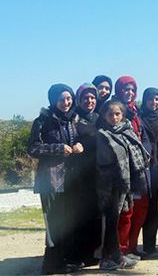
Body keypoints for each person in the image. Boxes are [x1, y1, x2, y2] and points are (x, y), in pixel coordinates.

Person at [27, 84, 84, 274]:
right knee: (53, 223)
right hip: (50, 180)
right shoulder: (42, 121)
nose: (66, 103)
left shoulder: (73, 120)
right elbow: (33, 148)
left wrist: (79, 145)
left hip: (70, 179)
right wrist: (57, 148)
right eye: (61, 99)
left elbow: (80, 139)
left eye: (69, 99)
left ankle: (64, 260)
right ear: (53, 100)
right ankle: (50, 264)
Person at [95, 99, 147, 271]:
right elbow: (106, 160)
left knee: (120, 220)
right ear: (104, 116)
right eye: (110, 114)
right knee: (110, 223)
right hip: (110, 185)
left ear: (123, 115)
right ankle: (106, 259)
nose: (114, 117)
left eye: (118, 114)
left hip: (126, 184)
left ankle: (117, 256)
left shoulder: (127, 131)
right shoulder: (102, 135)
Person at [113, 76, 150, 258]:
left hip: (139, 168)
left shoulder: (136, 111)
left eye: (132, 90)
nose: (129, 93)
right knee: (125, 211)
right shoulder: (114, 109)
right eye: (125, 89)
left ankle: (133, 246)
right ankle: (122, 249)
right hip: (123, 169)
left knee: (140, 208)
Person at [66, 83, 101, 267]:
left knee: (96, 214)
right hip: (78, 174)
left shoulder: (99, 117)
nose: (90, 100)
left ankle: (93, 254)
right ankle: (78, 255)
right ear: (79, 100)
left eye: (92, 97)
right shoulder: (72, 118)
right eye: (86, 98)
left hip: (98, 172)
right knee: (79, 216)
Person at [140, 87, 158, 257]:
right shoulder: (139, 117)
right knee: (145, 207)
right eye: (151, 99)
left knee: (157, 207)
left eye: (157, 99)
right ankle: (140, 246)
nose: (154, 102)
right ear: (145, 100)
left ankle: (153, 245)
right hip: (143, 167)